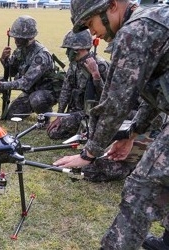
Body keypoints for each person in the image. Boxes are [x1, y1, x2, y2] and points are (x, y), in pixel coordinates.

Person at [53, 1, 169, 249]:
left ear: (112, 6)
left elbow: (116, 102)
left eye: (90, 23)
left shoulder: (135, 30)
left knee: (141, 186)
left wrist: (90, 152)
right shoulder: (152, 20)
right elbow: (155, 91)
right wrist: (133, 133)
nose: (92, 32)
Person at [0, 15, 61, 122]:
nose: (16, 40)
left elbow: (25, 82)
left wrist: (1, 85)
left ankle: (44, 118)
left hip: (46, 92)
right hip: (30, 92)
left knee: (37, 99)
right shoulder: (20, 50)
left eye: (19, 38)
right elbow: (12, 72)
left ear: (30, 38)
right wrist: (4, 60)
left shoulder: (41, 55)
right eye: (15, 37)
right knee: (11, 116)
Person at [46, 29, 109, 140]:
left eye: (69, 49)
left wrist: (96, 75)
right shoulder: (74, 65)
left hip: (93, 112)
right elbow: (66, 89)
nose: (67, 53)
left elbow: (106, 96)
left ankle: (89, 131)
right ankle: (83, 132)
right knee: (53, 133)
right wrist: (59, 116)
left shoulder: (100, 65)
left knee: (67, 122)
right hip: (77, 111)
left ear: (78, 50)